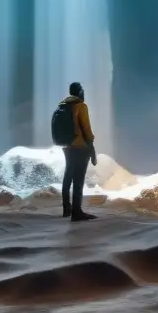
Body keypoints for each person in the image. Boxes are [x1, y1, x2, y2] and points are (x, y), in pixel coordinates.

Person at [59, 81, 97, 221]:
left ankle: (66, 209)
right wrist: (91, 144)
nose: (83, 92)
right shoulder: (81, 106)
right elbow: (86, 128)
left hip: (67, 146)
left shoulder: (63, 105)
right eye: (82, 90)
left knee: (67, 176)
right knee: (78, 179)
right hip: (80, 147)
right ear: (79, 92)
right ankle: (77, 212)